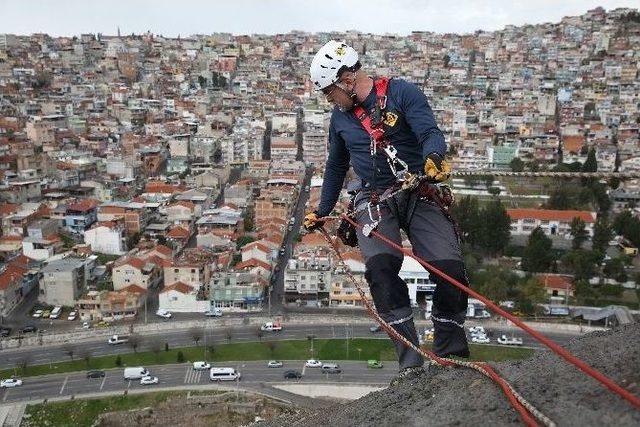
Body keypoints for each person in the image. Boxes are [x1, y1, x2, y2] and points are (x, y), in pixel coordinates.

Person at [303, 40, 470, 383]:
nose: (330, 100)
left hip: (419, 188)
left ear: (346, 80)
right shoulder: (340, 120)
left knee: (449, 269)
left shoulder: (402, 94)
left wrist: (435, 158)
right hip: (375, 197)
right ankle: (411, 363)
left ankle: (450, 353)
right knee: (381, 271)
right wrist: (322, 211)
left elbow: (429, 133)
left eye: (330, 92)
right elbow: (336, 168)